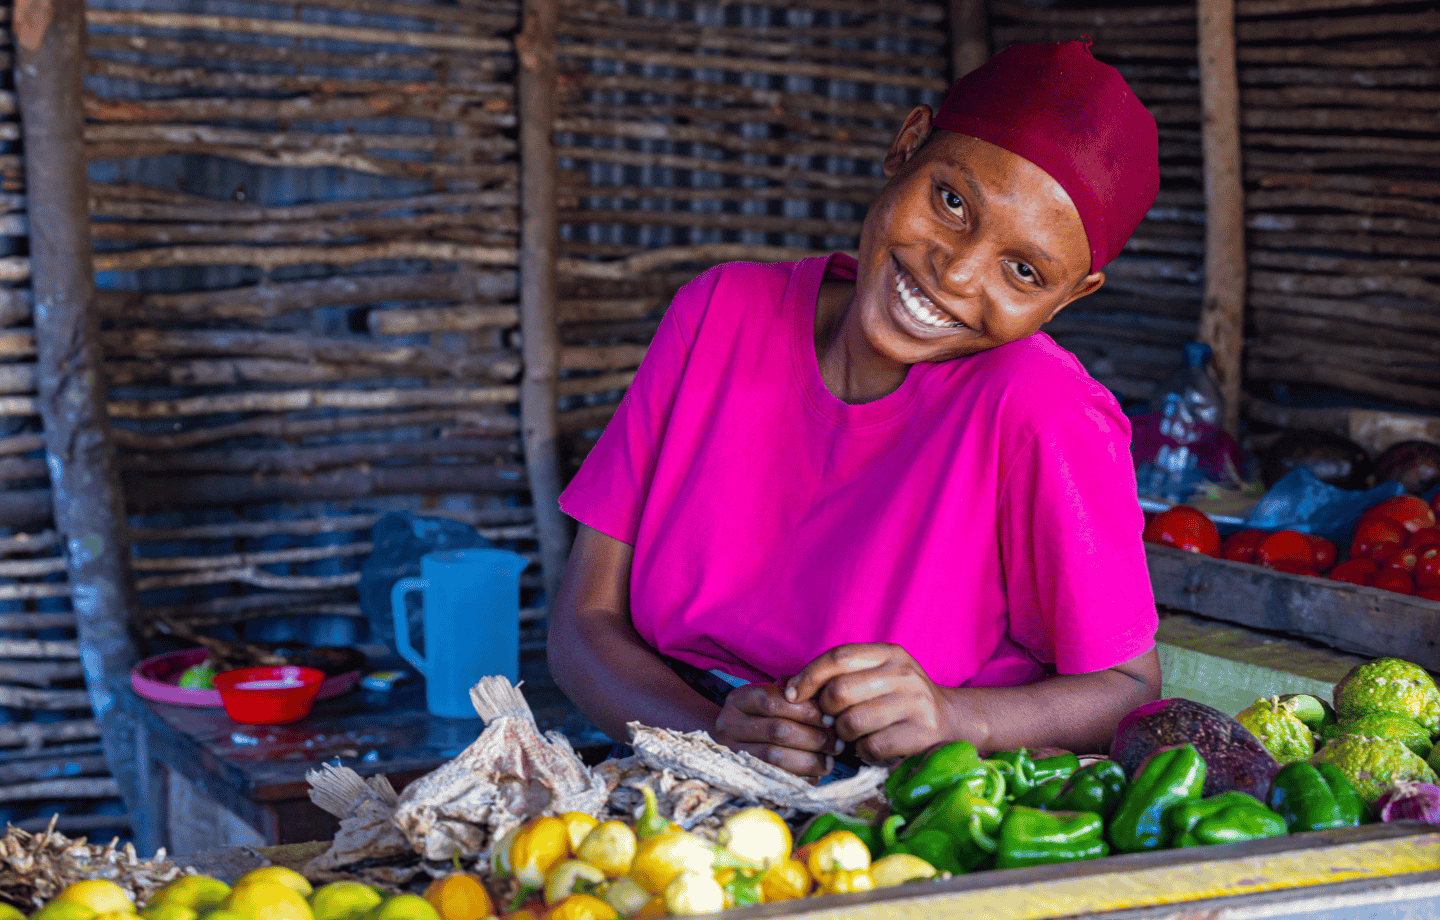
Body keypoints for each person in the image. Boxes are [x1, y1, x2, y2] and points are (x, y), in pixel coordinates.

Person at [549, 39, 1163, 778]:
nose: (958, 273)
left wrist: (950, 714)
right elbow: (583, 624)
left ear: (1069, 298)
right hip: (672, 768)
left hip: (912, 820)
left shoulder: (1041, 410)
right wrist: (715, 740)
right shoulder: (720, 314)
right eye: (954, 201)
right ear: (907, 146)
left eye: (1025, 271)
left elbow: (1128, 689)